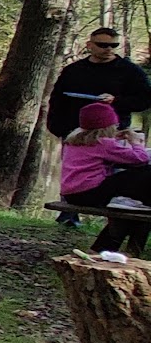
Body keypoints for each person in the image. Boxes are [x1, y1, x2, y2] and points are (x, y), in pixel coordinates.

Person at [59, 101, 151, 251]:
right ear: (107, 127)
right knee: (145, 173)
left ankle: (102, 249)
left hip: (73, 194)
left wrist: (116, 140)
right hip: (91, 192)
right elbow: (141, 159)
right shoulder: (103, 144)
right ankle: (126, 246)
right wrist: (136, 142)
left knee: (130, 214)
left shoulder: (74, 141)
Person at [45, 26, 151, 137]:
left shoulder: (130, 71)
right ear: (89, 45)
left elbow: (144, 100)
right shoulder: (73, 70)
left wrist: (116, 101)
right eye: (103, 45)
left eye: (114, 45)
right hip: (76, 134)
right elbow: (57, 100)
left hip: (114, 134)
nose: (109, 49)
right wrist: (58, 129)